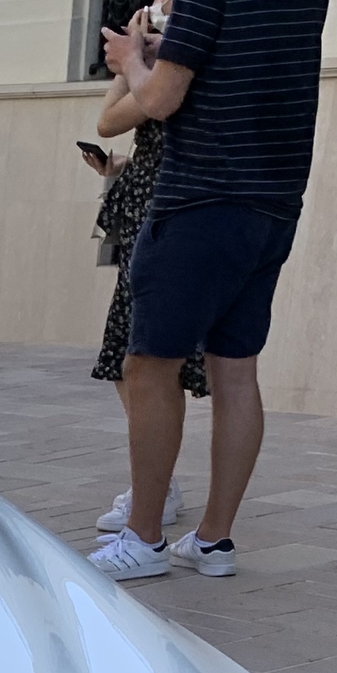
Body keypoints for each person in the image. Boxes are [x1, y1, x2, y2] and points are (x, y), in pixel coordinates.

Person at [89, 0, 329, 583]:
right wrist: (160, 54)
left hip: (201, 198)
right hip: (273, 203)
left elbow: (160, 99)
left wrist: (128, 59)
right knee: (236, 372)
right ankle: (214, 539)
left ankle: (144, 537)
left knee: (149, 367)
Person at [81, 101, 205, 536]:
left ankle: (157, 488)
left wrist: (129, 60)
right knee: (127, 361)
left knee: (153, 363)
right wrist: (120, 167)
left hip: (167, 224)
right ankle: (158, 481)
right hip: (142, 226)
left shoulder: (160, 76)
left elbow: (109, 118)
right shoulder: (158, 82)